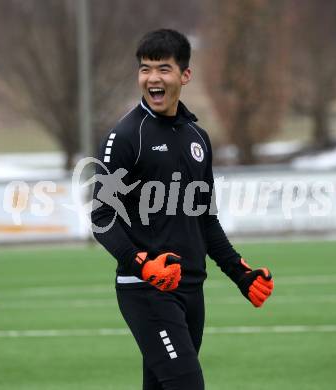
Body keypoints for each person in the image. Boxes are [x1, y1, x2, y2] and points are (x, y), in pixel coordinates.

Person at [91, 29, 274, 390]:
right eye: (145, 69)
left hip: (192, 290)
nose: (153, 78)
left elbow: (205, 220)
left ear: (185, 75)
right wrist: (141, 261)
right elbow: (102, 217)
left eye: (163, 68)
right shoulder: (127, 136)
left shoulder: (197, 139)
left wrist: (241, 274)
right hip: (145, 290)